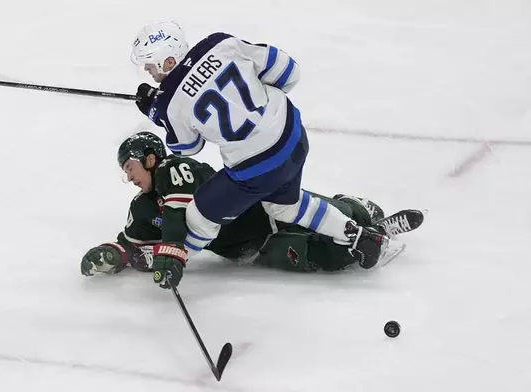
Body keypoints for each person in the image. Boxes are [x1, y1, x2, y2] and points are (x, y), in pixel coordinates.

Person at [129, 22, 387, 286]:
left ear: (169, 60)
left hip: (257, 168)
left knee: (200, 214)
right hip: (293, 136)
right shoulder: (221, 44)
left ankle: (172, 258)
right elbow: (289, 71)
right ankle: (356, 235)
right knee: (285, 206)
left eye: (150, 65)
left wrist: (156, 112)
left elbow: (187, 148)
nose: (148, 72)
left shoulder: (170, 103)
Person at [80, 132, 424, 285]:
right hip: (251, 249)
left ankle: (361, 211)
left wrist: (170, 252)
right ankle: (374, 236)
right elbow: (132, 242)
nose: (128, 177)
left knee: (341, 216)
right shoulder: (141, 208)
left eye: (129, 168)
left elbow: (176, 214)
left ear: (150, 159)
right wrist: (111, 254)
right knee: (327, 258)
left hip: (267, 209)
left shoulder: (176, 169)